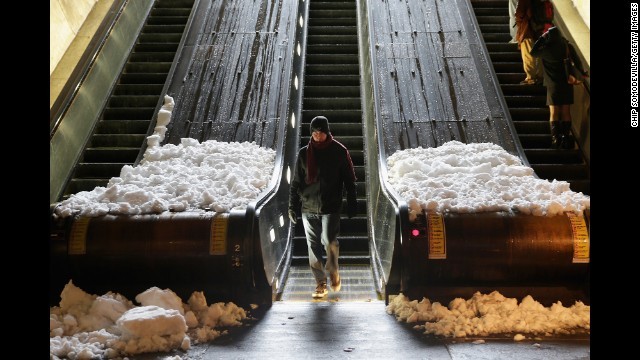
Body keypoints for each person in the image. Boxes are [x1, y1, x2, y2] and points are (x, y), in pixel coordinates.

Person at [288, 116, 357, 299]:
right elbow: (296, 182)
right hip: (308, 206)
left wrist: (352, 202)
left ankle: (333, 271)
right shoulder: (304, 153)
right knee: (313, 246)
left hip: (331, 206)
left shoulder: (339, 151)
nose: (317, 136)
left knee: (329, 241)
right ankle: (320, 283)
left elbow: (349, 179)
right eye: (314, 132)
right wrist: (292, 206)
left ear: (327, 132)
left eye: (321, 132)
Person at [530, 26, 588, 149]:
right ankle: (566, 138)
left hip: (552, 85)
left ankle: (555, 139)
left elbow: (533, 52)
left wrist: (541, 38)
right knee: (566, 111)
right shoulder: (566, 46)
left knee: (554, 112)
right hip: (566, 83)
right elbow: (577, 61)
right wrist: (582, 72)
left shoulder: (546, 49)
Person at [515, 0, 544, 85]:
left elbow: (519, 13)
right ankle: (540, 76)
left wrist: (519, 23)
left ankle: (531, 78)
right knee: (539, 55)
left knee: (528, 55)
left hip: (528, 31)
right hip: (540, 31)